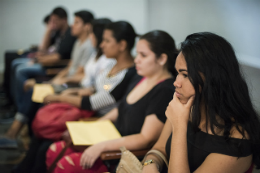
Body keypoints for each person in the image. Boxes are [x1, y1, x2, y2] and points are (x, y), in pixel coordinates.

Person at [12, 21, 138, 173]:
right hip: (90, 114)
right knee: (44, 131)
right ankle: (23, 167)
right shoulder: (112, 64)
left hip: (101, 121)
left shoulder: (130, 73)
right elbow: (96, 88)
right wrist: (72, 92)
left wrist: (60, 98)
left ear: (122, 45)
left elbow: (95, 102)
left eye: (107, 41)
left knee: (47, 141)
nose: (101, 44)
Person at [45, 30, 178, 173]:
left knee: (66, 165)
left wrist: (102, 146)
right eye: (137, 53)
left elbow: (146, 138)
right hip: (111, 139)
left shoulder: (165, 90)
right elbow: (120, 108)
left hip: (123, 156)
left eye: (143, 55)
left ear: (162, 59)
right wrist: (90, 128)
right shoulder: (141, 77)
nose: (136, 60)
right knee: (54, 150)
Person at [142, 32, 260, 173]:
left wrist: (179, 126)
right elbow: (159, 148)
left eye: (185, 75)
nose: (176, 82)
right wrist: (150, 164)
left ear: (213, 79)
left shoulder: (236, 142)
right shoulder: (187, 107)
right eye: (177, 73)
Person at [0, 10, 94, 148]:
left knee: (34, 90)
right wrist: (56, 79)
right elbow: (69, 67)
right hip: (65, 81)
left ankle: (16, 133)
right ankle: (21, 130)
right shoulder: (79, 42)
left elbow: (79, 74)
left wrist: (58, 81)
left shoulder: (88, 46)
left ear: (87, 26)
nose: (72, 26)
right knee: (30, 86)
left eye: (77, 23)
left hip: (72, 86)